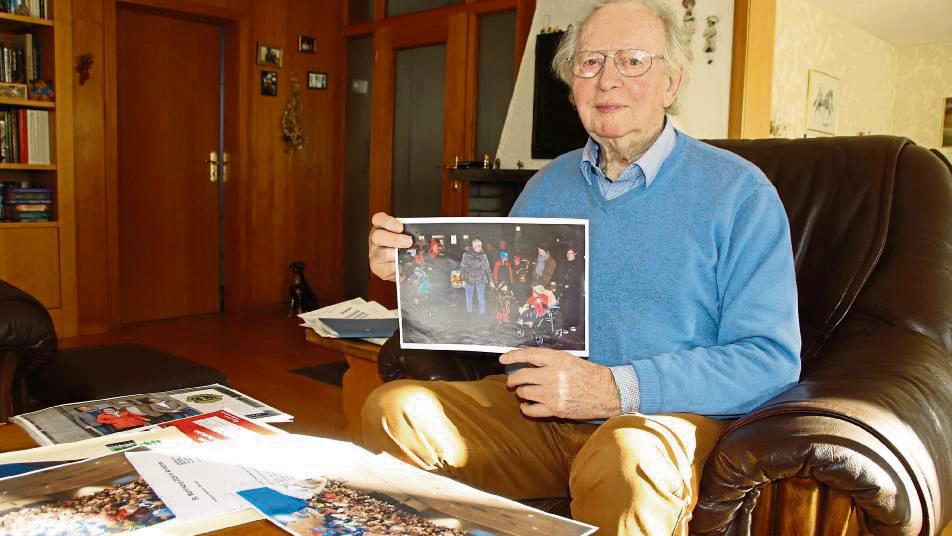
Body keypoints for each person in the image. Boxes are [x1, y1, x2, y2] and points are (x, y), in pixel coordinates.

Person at [363, 1, 800, 533]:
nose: (608, 79)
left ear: (671, 82)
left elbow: (770, 359)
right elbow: (505, 311)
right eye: (589, 62)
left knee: (625, 456)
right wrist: (414, 275)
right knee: (396, 408)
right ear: (572, 87)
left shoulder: (739, 192)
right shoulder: (546, 187)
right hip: (538, 416)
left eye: (633, 60)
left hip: (657, 422)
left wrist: (616, 388)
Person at [458, 238, 492, 315]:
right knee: (469, 297)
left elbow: (487, 268)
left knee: (481, 298)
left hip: (481, 279)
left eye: (480, 246)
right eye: (478, 246)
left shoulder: (483, 255)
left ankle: (482, 314)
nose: (480, 248)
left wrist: (491, 281)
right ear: (474, 246)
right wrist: (463, 280)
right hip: (469, 279)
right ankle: (469, 313)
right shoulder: (466, 255)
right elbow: (463, 267)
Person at [553, 245, 583, 332]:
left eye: (571, 253)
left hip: (574, 289)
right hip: (563, 288)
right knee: (564, 307)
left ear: (575, 254)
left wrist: (569, 284)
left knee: (573, 307)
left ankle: (573, 324)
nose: (569, 255)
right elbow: (558, 275)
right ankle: (565, 325)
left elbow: (578, 278)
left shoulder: (578, 265)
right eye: (568, 253)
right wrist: (554, 281)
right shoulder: (563, 264)